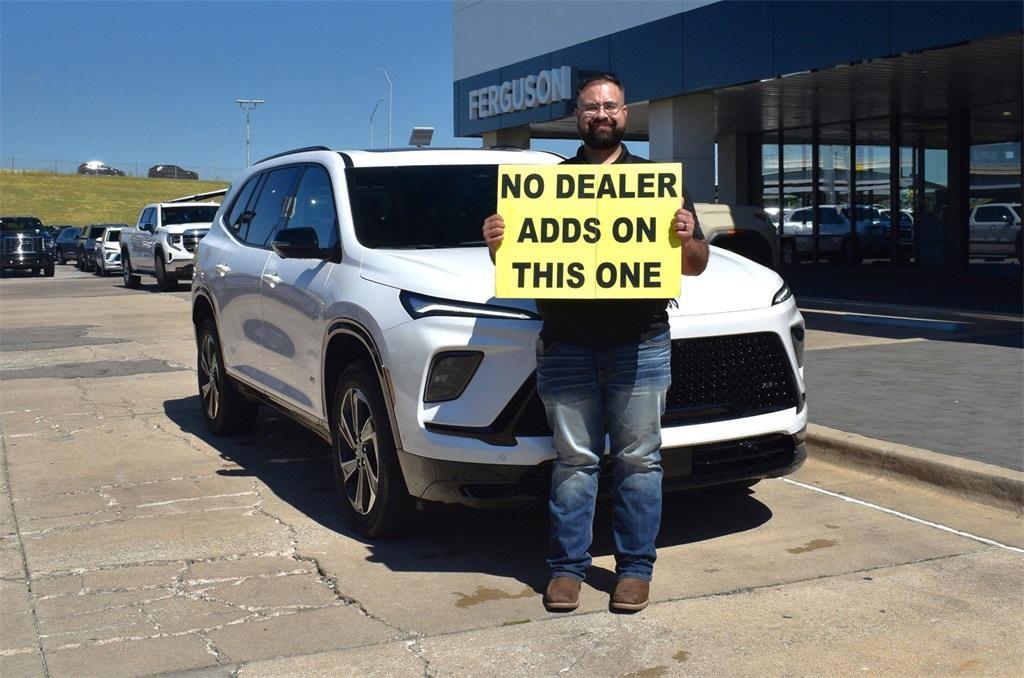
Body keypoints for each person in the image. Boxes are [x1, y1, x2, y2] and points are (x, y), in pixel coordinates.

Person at [482, 74, 708, 613]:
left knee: (639, 461)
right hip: (566, 345)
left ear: (625, 113)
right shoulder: (548, 189)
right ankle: (566, 571)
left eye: (609, 106)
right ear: (576, 116)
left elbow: (695, 265)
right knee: (574, 463)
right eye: (590, 107)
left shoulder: (658, 184)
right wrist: (498, 242)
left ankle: (635, 569)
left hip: (642, 343)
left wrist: (685, 236)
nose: (600, 114)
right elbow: (513, 266)